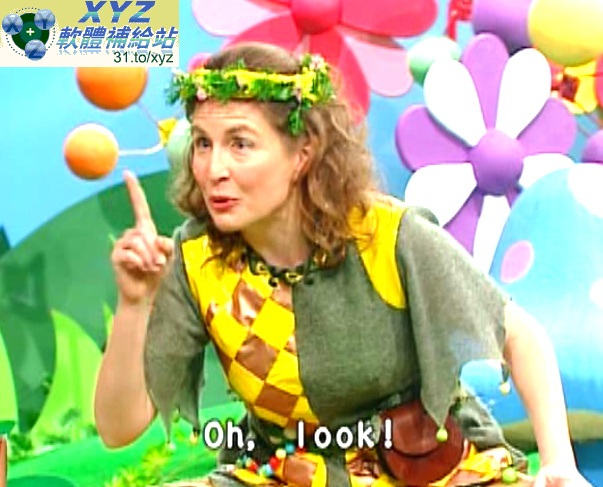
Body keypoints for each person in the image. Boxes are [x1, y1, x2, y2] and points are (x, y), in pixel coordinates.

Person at [94, 41, 592, 487]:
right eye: (203, 143)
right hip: (280, 474)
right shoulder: (197, 257)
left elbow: (519, 336)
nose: (213, 169)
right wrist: (135, 303)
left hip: (427, 471)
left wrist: (558, 463)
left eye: (240, 144)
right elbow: (118, 429)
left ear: (303, 153)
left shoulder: (385, 233)